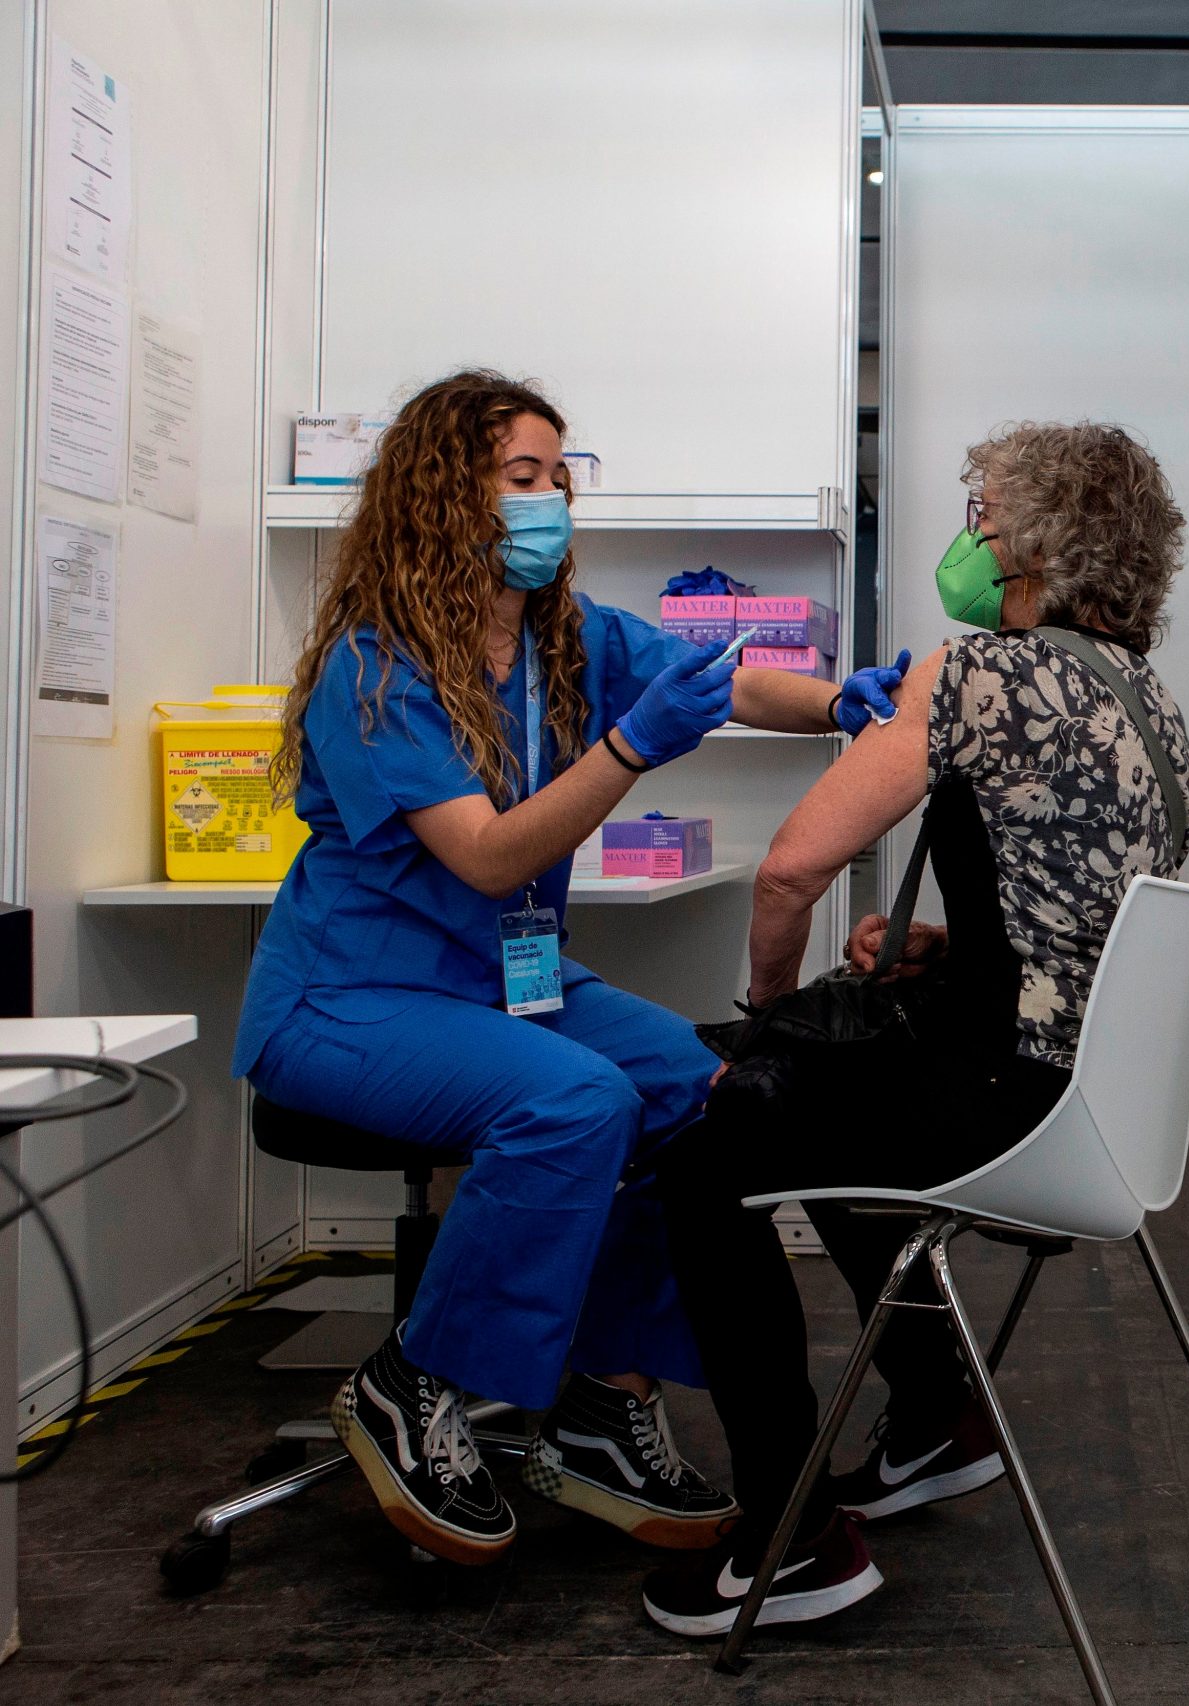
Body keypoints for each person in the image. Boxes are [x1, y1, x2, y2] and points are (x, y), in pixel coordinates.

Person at [234, 370, 908, 1566]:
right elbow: (490, 857)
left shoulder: (565, 637)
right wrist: (626, 753)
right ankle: (414, 1380)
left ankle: (604, 1396)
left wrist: (836, 706)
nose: (552, 501)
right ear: (448, 498)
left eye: (560, 475)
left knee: (699, 1092)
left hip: (507, 980)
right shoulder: (376, 670)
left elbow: (714, 680)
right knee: (574, 1098)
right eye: (523, 478)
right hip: (351, 998)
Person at [636, 421, 1189, 1637]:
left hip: (1006, 1096)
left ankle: (787, 1536)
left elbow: (788, 874)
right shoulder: (1147, 700)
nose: (970, 537)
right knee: (828, 1107)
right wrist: (950, 949)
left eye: (983, 515)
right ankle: (938, 1412)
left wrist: (770, 1027)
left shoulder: (980, 671)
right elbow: (1081, 912)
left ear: (1037, 544)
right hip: (1083, 1091)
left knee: (716, 1144)